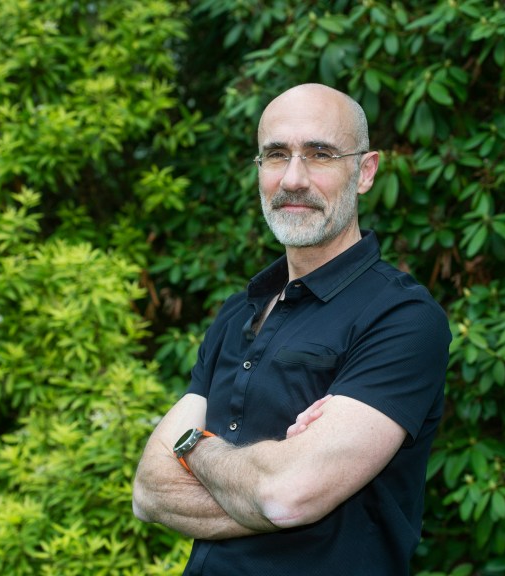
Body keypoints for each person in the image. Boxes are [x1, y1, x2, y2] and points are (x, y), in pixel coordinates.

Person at [132, 83, 451, 575]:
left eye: (320, 154)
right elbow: (150, 492)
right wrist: (267, 484)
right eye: (276, 155)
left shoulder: (403, 318)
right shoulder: (239, 312)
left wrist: (195, 446)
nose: (294, 179)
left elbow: (287, 498)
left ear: (364, 171)